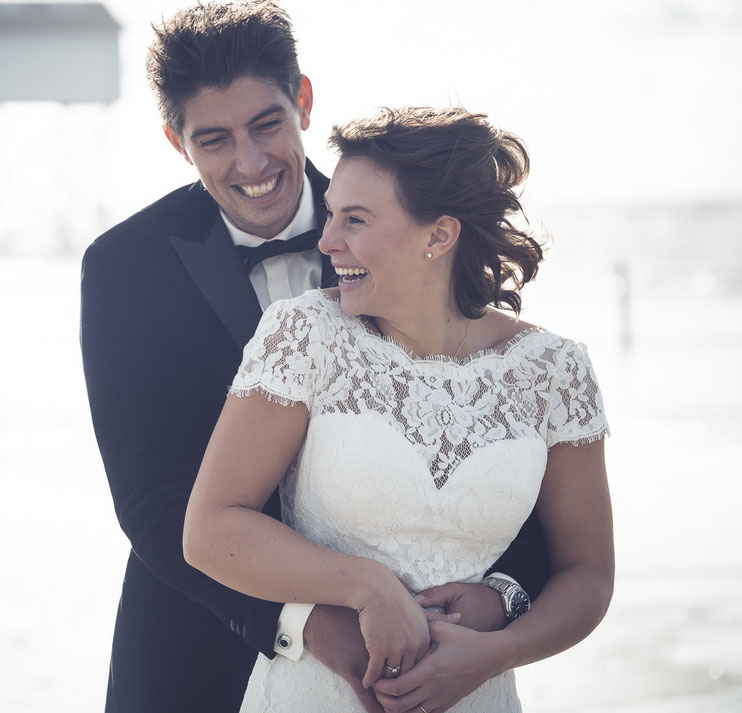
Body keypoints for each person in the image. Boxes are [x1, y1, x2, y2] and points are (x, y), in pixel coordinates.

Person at [80, 3, 549, 711]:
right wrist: (304, 619)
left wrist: (502, 596)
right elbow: (150, 501)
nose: (251, 162)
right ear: (178, 142)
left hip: (423, 654)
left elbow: (507, 447)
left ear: (302, 99)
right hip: (192, 651)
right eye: (214, 139)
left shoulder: (411, 230)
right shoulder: (124, 267)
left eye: (266, 124)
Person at [183, 106, 614, 713]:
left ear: (438, 236)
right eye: (332, 215)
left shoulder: (555, 371)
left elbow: (588, 575)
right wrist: (367, 587)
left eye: (355, 220)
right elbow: (210, 531)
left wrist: (497, 652)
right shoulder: (303, 335)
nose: (327, 240)